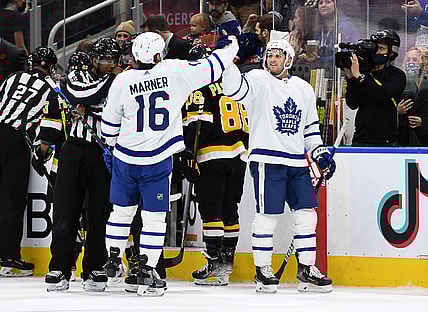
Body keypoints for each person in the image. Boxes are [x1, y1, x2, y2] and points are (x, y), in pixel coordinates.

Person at [101, 31, 239, 297]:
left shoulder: (121, 80)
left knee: (120, 213)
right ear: (158, 53)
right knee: (153, 218)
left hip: (125, 157)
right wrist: (230, 45)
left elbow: (108, 130)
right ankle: (147, 269)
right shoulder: (175, 70)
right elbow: (214, 66)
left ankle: (114, 260)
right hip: (157, 158)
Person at [222, 38, 334, 293]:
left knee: (307, 215)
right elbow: (233, 90)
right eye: (269, 55)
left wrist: (320, 153)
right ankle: (262, 269)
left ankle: (306, 268)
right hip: (267, 160)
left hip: (296, 162)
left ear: (289, 60)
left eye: (277, 55)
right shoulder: (258, 81)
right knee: (267, 217)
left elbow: (310, 131)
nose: (272, 59)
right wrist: (227, 61)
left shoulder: (303, 88)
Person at [44, 37, 119, 292]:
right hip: (74, 149)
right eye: (105, 60)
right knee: (66, 210)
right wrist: (102, 97)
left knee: (100, 213)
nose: (109, 65)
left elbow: (114, 111)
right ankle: (60, 267)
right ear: (94, 60)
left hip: (104, 153)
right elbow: (83, 94)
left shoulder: (120, 81)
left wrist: (92, 107)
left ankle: (95, 267)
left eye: (113, 61)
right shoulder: (78, 74)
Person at [181, 44, 248, 286]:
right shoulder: (234, 85)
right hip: (239, 156)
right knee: (230, 209)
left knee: (211, 212)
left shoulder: (199, 88)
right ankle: (226, 264)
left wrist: (189, 153)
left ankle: (215, 266)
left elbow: (199, 124)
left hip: (211, 156)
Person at [0, 46, 57, 277]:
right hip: (17, 139)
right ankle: (8, 257)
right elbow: (51, 119)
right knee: (11, 201)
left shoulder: (13, 77)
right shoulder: (51, 87)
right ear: (51, 68)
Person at [345, 30, 407, 146]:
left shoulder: (397, 75)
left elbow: (382, 94)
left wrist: (359, 77)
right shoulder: (365, 73)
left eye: (381, 48)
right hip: (360, 139)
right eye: (375, 48)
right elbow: (352, 103)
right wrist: (351, 78)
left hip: (386, 140)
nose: (377, 52)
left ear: (392, 53)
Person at [398, 49, 428, 146]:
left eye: (415, 60)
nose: (411, 63)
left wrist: (423, 122)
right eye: (408, 59)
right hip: (405, 137)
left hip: (424, 137)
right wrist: (397, 111)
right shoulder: (399, 82)